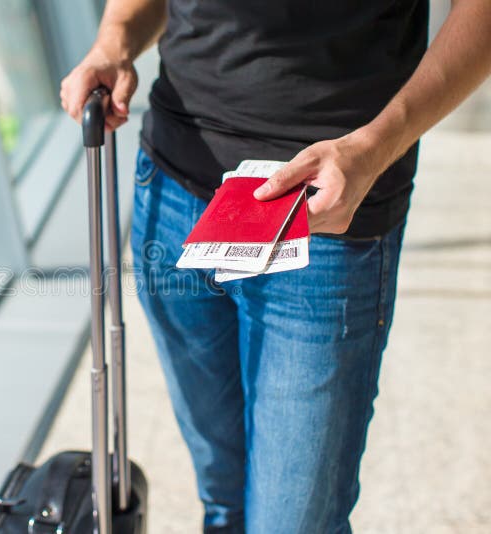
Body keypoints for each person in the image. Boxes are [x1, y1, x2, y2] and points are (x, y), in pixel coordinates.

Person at [60, 1, 491, 533]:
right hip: (175, 186)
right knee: (224, 499)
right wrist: (114, 41)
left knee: (293, 523)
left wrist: (376, 146)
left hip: (326, 211)